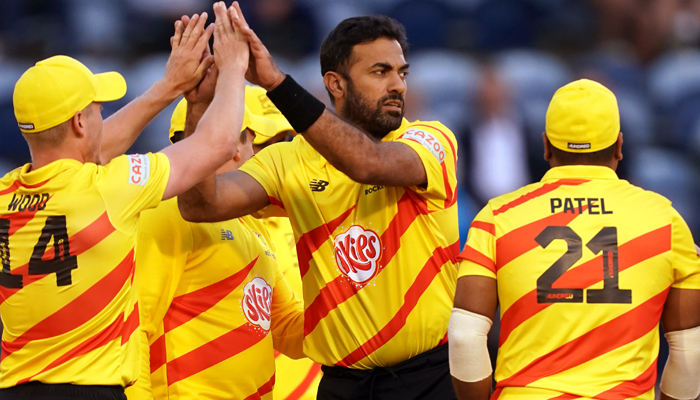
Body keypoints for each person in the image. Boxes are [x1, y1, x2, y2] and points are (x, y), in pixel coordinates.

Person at [179, 4, 460, 399]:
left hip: (427, 380)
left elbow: (368, 163)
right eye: (380, 72)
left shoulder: (431, 141)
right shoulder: (288, 160)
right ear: (336, 84)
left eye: (402, 73)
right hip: (341, 386)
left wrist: (276, 82)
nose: (398, 85)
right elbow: (200, 206)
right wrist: (198, 106)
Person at [0, 3, 251, 399]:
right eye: (98, 109)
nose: (103, 117)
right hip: (90, 389)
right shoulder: (110, 188)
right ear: (80, 122)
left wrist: (168, 87)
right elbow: (217, 145)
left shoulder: (6, 192)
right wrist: (234, 69)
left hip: (15, 386)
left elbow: (90, 153)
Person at [449, 79, 700, 400]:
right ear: (620, 146)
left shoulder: (497, 217)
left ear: (546, 146)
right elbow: (689, 352)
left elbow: (465, 338)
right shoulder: (665, 221)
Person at [125, 98, 304, 400]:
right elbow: (133, 327)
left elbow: (285, 324)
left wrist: (352, 311)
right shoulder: (168, 211)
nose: (262, 156)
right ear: (233, 148)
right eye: (256, 142)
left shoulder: (250, 219)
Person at [245, 85, 323, 400]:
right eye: (267, 144)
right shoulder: (209, 229)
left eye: (286, 142)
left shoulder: (308, 213)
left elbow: (289, 325)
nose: (281, 156)